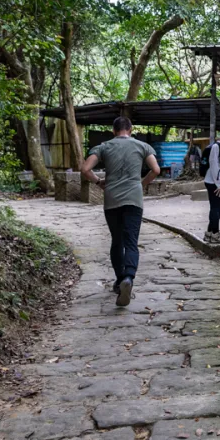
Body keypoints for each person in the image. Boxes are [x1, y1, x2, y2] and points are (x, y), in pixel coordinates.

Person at [81, 116, 160, 307]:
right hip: (134, 199)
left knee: (117, 241)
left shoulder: (104, 146)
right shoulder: (143, 146)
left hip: (112, 200)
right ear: (131, 129)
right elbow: (156, 170)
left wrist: (99, 182)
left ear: (113, 130)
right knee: (131, 241)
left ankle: (119, 280)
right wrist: (141, 184)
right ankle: (129, 279)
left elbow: (84, 169)